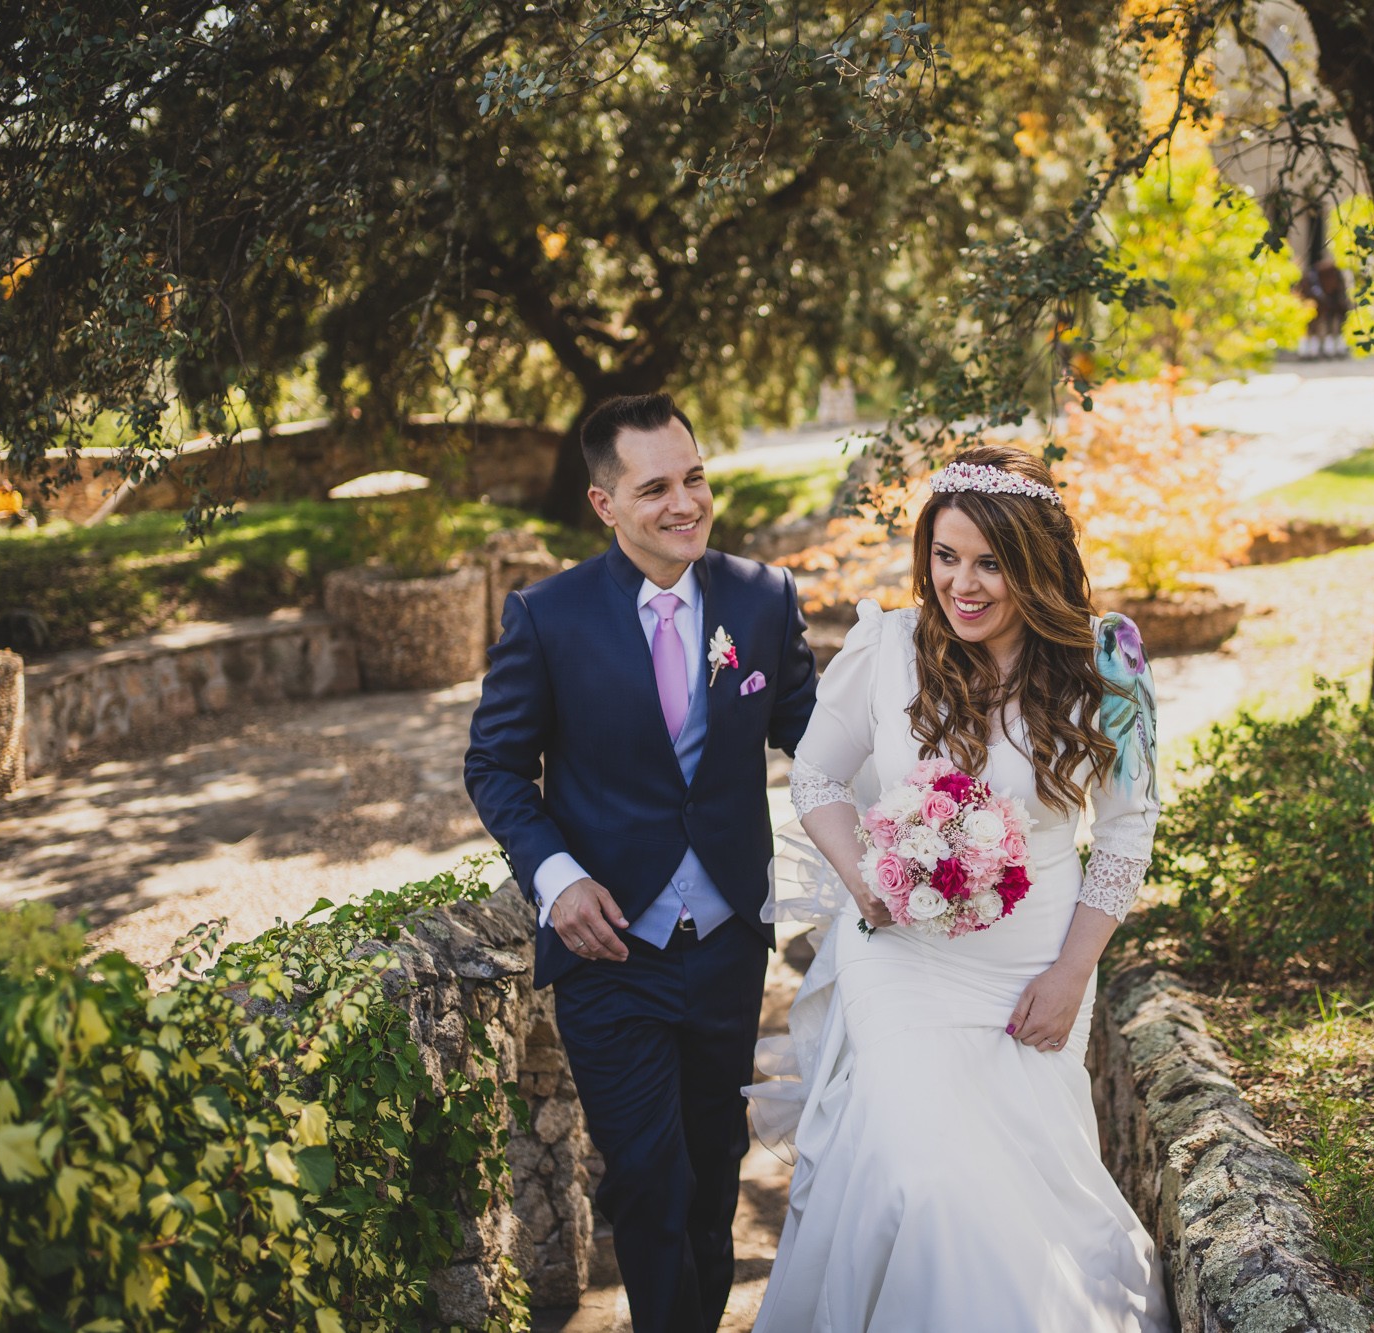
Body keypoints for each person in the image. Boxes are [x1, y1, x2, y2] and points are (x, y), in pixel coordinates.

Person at [749, 444, 1168, 1331]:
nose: (962, 584)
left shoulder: (1110, 663)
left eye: (989, 562)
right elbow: (817, 778)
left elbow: (1128, 835)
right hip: (901, 960)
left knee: (1021, 1185)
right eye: (945, 557)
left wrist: (1070, 977)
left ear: (1035, 563)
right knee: (925, 1177)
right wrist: (863, 880)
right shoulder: (887, 648)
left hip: (1035, 970)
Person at [463, 393, 818, 1333]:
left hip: (729, 941)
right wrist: (557, 877)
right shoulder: (547, 617)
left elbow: (819, 741)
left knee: (709, 1175)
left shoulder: (763, 597)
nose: (684, 503)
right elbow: (494, 764)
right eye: (655, 486)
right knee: (651, 1181)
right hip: (611, 948)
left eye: (694, 477)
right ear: (604, 504)